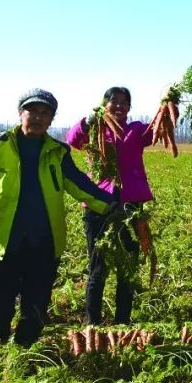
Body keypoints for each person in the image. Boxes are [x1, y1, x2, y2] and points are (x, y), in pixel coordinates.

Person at [0, 89, 115, 358]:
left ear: (52, 119)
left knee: (36, 303)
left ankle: (23, 349)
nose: (38, 117)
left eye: (46, 113)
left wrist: (114, 206)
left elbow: (82, 187)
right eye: (33, 111)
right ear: (21, 113)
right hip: (1, 238)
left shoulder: (57, 152)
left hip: (43, 240)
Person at [66, 86, 155, 325]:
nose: (118, 106)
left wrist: (170, 105)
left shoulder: (136, 130)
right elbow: (72, 139)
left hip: (131, 207)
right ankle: (91, 322)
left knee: (128, 267)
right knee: (98, 267)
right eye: (113, 101)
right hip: (99, 205)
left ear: (130, 107)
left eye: (124, 102)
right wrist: (88, 120)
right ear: (104, 104)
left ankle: (122, 321)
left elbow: (155, 131)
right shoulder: (95, 129)